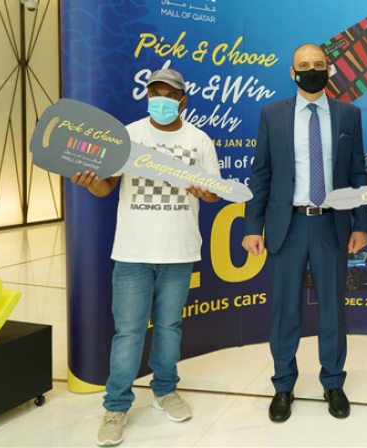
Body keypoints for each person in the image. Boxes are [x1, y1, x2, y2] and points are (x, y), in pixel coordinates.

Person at [72, 68, 221, 447]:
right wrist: (91, 183)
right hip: (132, 252)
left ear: (183, 100)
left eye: (169, 95)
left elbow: (214, 192)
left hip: (179, 250)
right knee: (129, 332)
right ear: (147, 96)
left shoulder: (199, 140)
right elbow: (106, 187)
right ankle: (116, 407)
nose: (161, 100)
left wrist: (204, 192)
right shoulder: (127, 135)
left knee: (169, 327)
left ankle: (165, 390)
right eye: (155, 93)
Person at [242, 43, 367, 423]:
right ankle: (283, 385)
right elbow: (261, 174)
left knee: (333, 309)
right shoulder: (272, 114)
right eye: (304, 65)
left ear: (329, 69)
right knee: (285, 310)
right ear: (292, 71)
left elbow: (358, 173)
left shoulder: (349, 114)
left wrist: (362, 223)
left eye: (318, 64)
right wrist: (252, 226)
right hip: (288, 225)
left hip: (332, 224)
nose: (311, 70)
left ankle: (333, 382)